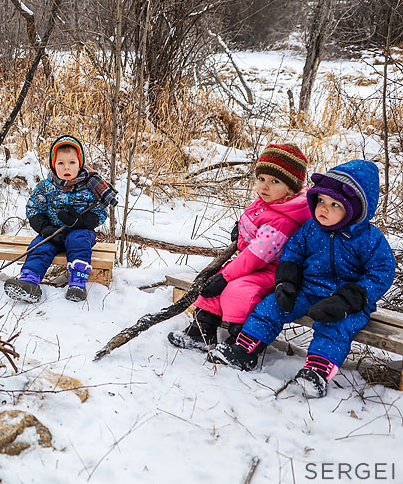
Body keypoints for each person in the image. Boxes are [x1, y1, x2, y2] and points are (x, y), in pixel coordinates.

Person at [208, 160, 395, 398]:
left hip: (347, 300)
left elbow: (382, 272)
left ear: (356, 209)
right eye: (321, 201)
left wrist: (351, 298)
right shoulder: (310, 229)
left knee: (335, 327)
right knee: (271, 307)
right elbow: (292, 254)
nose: (323, 209)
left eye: (335, 204)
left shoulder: (369, 239)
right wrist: (286, 282)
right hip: (308, 289)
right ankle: (245, 351)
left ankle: (316, 372)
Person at [168, 143, 311, 351]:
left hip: (273, 271)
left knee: (238, 291)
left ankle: (239, 341)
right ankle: (201, 331)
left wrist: (226, 277)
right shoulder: (271, 201)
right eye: (261, 179)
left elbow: (256, 255)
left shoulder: (284, 221)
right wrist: (241, 230)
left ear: (291, 188)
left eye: (274, 181)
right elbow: (254, 223)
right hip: (253, 264)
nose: (264, 186)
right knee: (212, 282)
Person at [4, 135, 116, 303]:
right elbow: (34, 208)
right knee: (39, 246)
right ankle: (30, 282)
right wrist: (45, 228)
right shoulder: (45, 186)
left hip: (81, 233)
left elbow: (100, 213)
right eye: (61, 163)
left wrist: (81, 221)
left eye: (72, 162)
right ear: (53, 165)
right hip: (53, 233)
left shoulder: (89, 187)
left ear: (80, 163)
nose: (66, 167)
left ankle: (77, 283)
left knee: (78, 239)